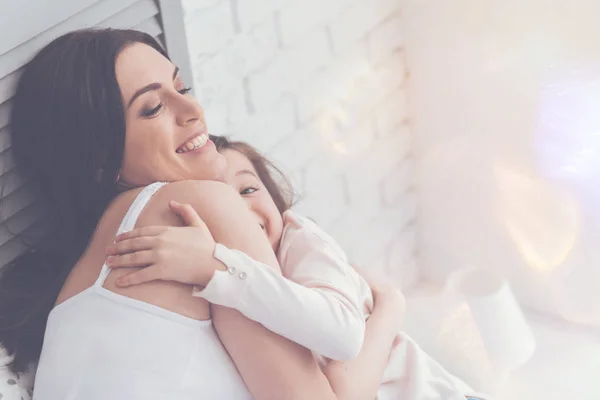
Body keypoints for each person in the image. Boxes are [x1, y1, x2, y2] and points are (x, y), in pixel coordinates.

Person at [0, 28, 398, 399]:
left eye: (182, 87)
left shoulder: (87, 272)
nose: (192, 108)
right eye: (153, 107)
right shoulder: (195, 206)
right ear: (99, 162)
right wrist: (390, 310)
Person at [107, 137, 490, 400]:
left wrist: (214, 269)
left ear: (275, 199)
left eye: (248, 190)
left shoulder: (301, 242)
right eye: (220, 202)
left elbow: (343, 351)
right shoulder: (244, 296)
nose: (239, 211)